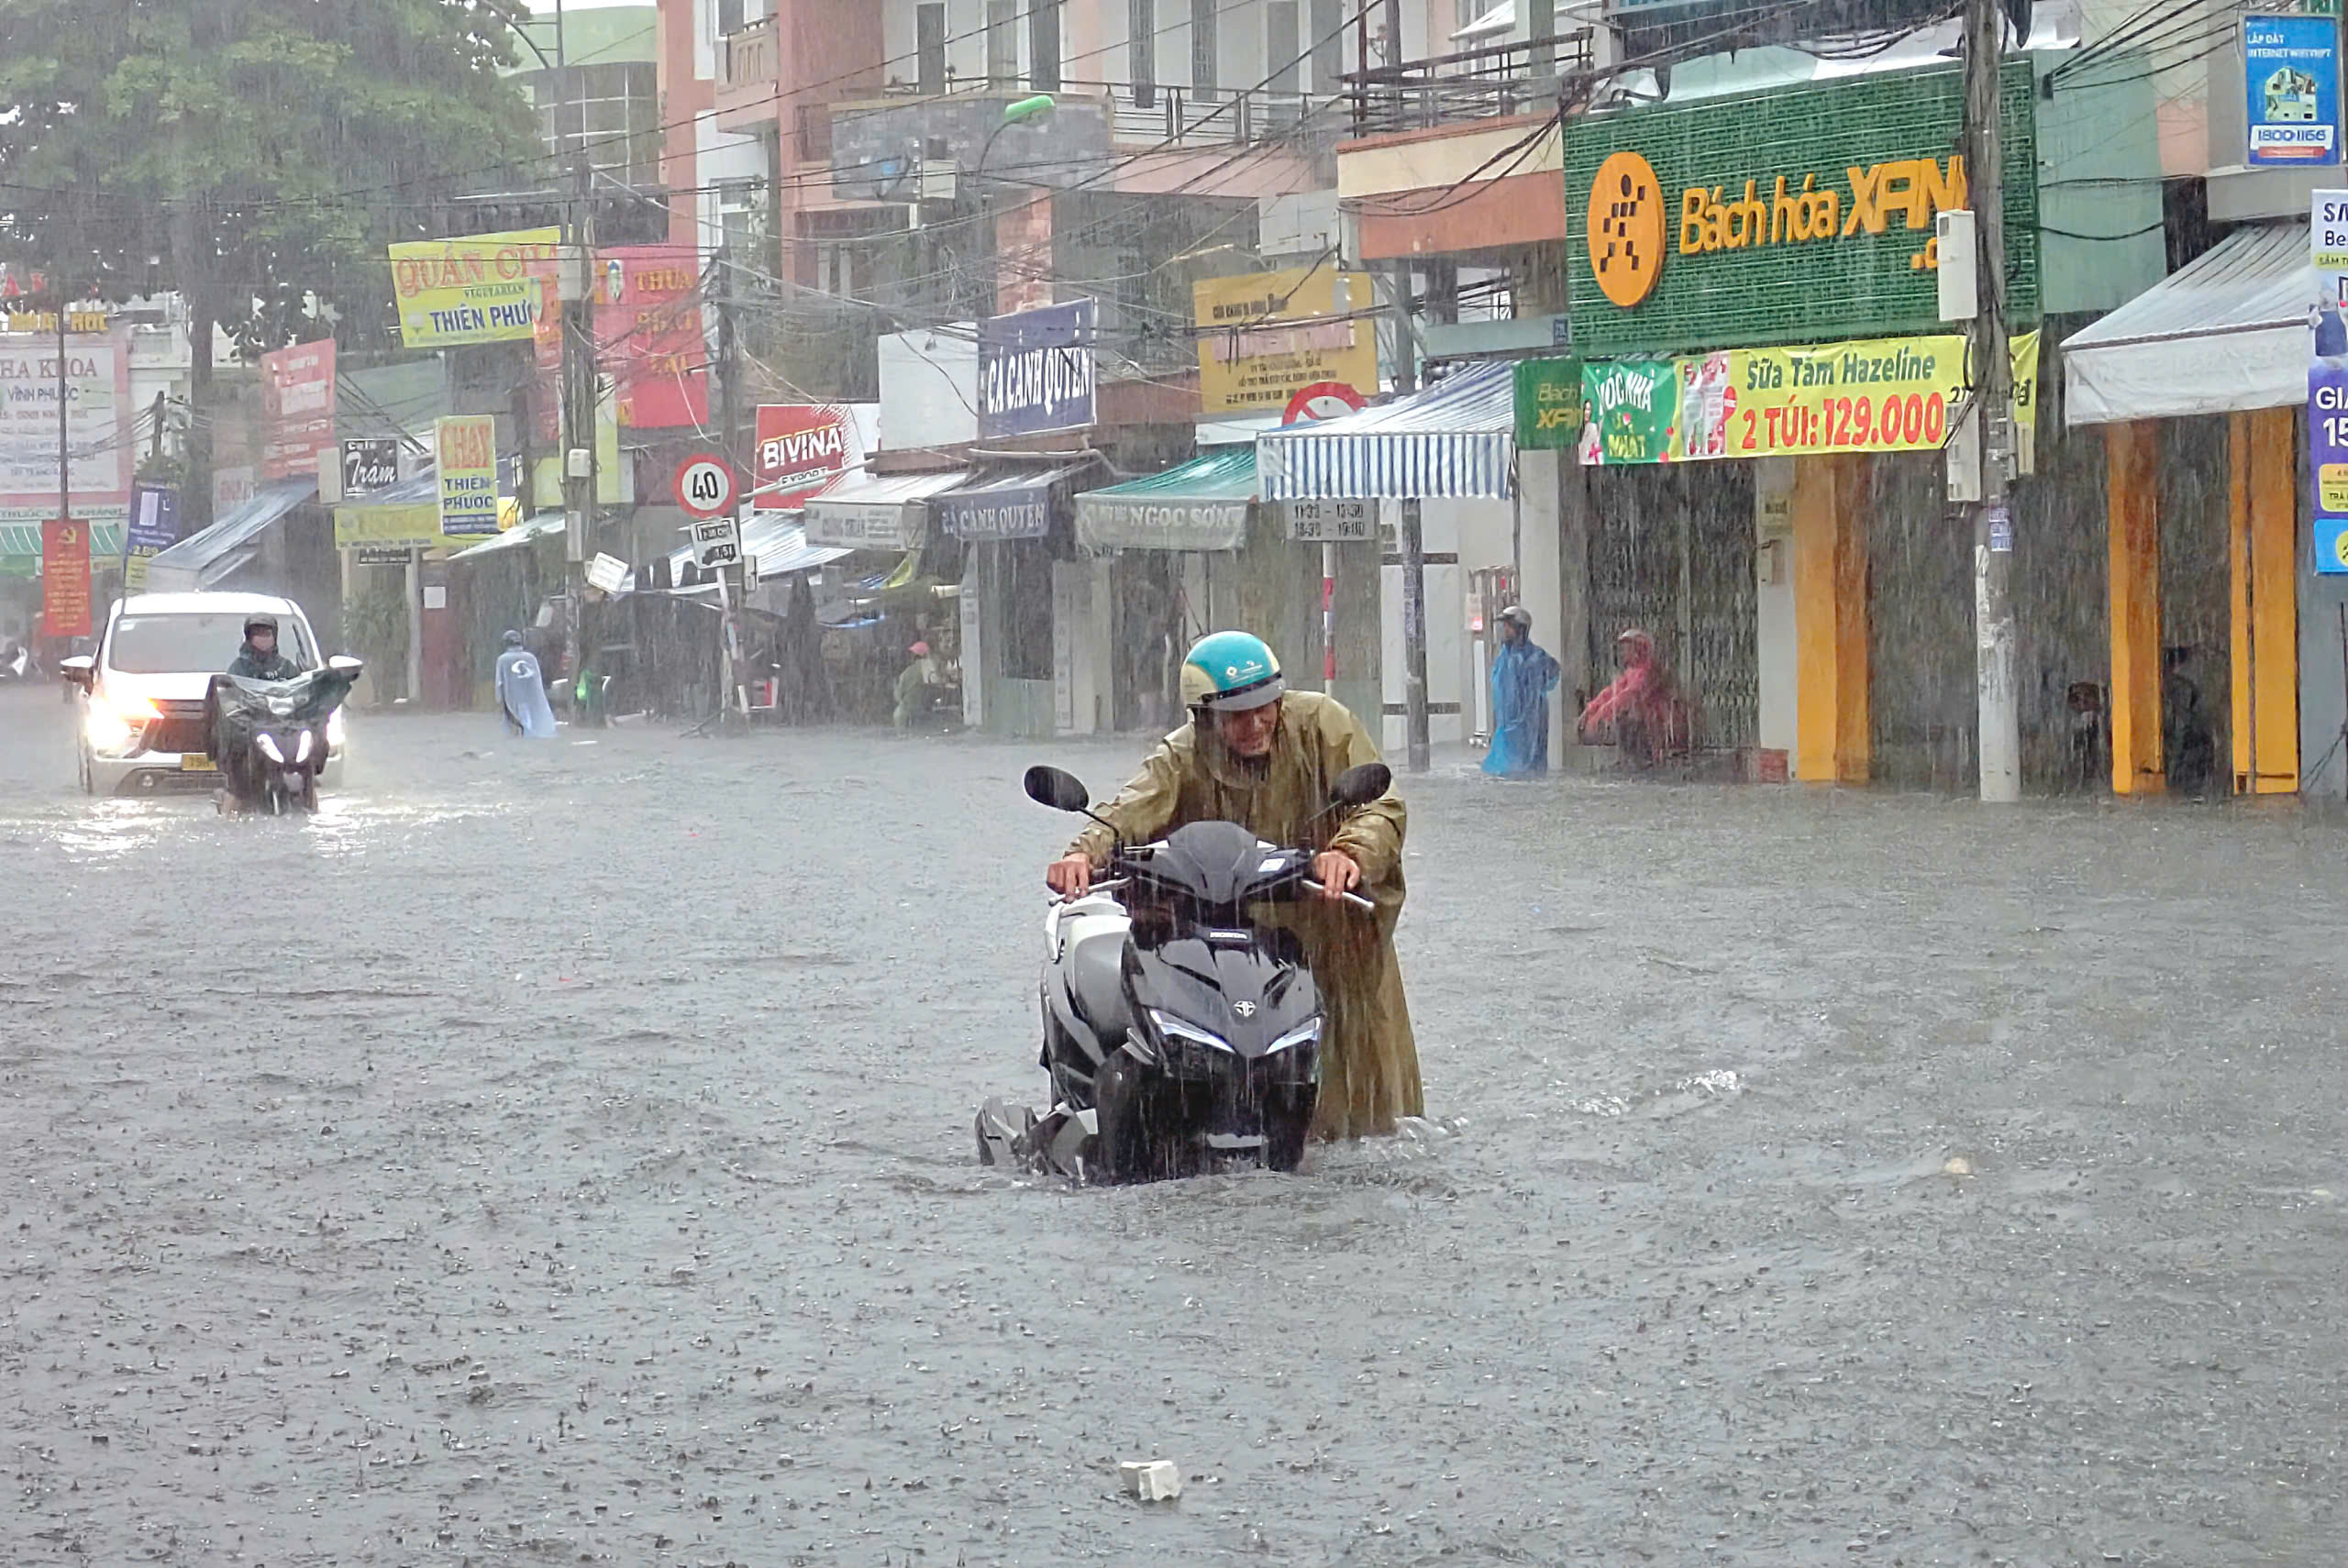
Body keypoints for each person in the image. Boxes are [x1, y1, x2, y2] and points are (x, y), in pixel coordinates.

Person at [1044, 631, 1422, 1142]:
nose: (1256, 723)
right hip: (1239, 937)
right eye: (1238, 715)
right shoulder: (1181, 756)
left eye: (1266, 707)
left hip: (1332, 928)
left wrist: (1348, 852)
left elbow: (1380, 805)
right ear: (1204, 718)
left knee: (1361, 1083)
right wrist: (1084, 853)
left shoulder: (1323, 724)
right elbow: (1131, 808)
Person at [1578, 626, 1690, 767]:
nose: (1623, 653)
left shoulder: (1648, 670)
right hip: (1644, 722)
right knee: (1627, 722)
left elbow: (1631, 693)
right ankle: (1632, 760)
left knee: (1632, 720)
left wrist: (1603, 713)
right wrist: (1590, 709)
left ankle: (1647, 761)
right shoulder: (1632, 671)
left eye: (1626, 648)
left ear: (1638, 649)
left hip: (1657, 724)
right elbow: (1611, 691)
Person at [1482, 605, 1560, 777]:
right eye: (1504, 625)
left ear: (1520, 628)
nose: (1504, 630)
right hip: (1506, 723)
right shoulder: (1504, 657)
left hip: (1529, 722)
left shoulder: (1535, 656)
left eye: (1508, 625)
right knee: (1507, 770)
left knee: (1529, 767)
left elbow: (1554, 671)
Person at [495, 629, 558, 738]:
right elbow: (537, 679)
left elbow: (499, 682)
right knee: (531, 722)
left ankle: (522, 736)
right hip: (532, 696)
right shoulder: (531, 657)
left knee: (516, 725)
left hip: (514, 697)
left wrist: (499, 699)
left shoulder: (503, 659)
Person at [227, 613, 300, 681]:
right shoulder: (238, 668)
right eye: (257, 633)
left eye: (266, 634)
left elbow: (298, 687)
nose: (262, 638)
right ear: (249, 638)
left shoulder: (286, 667)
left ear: (274, 637)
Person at [893, 640, 943, 728]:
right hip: (929, 712)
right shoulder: (934, 669)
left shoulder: (907, 673)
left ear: (915, 655)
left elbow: (898, 696)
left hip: (909, 713)